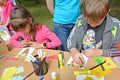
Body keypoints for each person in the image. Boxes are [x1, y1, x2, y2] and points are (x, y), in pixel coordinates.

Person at [67, 0, 120, 66]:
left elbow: (118, 51)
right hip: (83, 62)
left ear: (107, 12)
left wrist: (101, 52)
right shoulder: (81, 20)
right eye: (88, 20)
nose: (92, 24)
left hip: (103, 64)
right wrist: (73, 51)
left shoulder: (115, 25)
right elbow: (71, 39)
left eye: (97, 21)